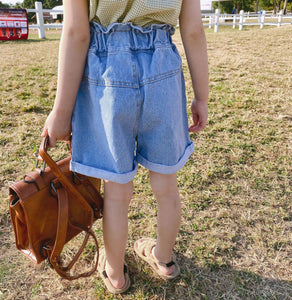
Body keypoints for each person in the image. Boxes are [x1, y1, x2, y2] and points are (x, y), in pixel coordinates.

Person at [42, 0, 209, 294]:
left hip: (107, 71)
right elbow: (193, 30)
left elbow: (76, 32)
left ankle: (116, 274)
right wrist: (202, 97)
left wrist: (61, 112)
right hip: (162, 67)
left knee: (117, 192)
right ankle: (164, 258)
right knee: (166, 183)